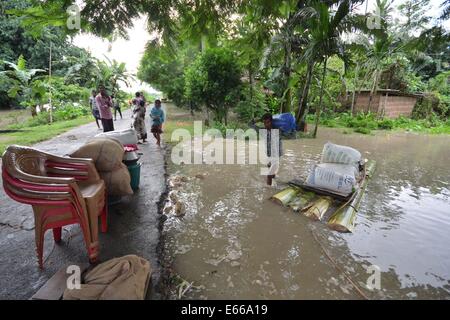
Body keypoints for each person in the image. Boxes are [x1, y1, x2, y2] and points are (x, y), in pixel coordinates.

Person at [262, 113, 282, 186]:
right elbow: (251, 125)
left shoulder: (278, 130)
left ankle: (268, 190)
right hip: (269, 154)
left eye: (268, 122)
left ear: (271, 122)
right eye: (264, 123)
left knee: (269, 175)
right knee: (269, 167)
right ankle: (275, 182)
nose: (266, 125)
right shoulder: (265, 130)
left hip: (276, 155)